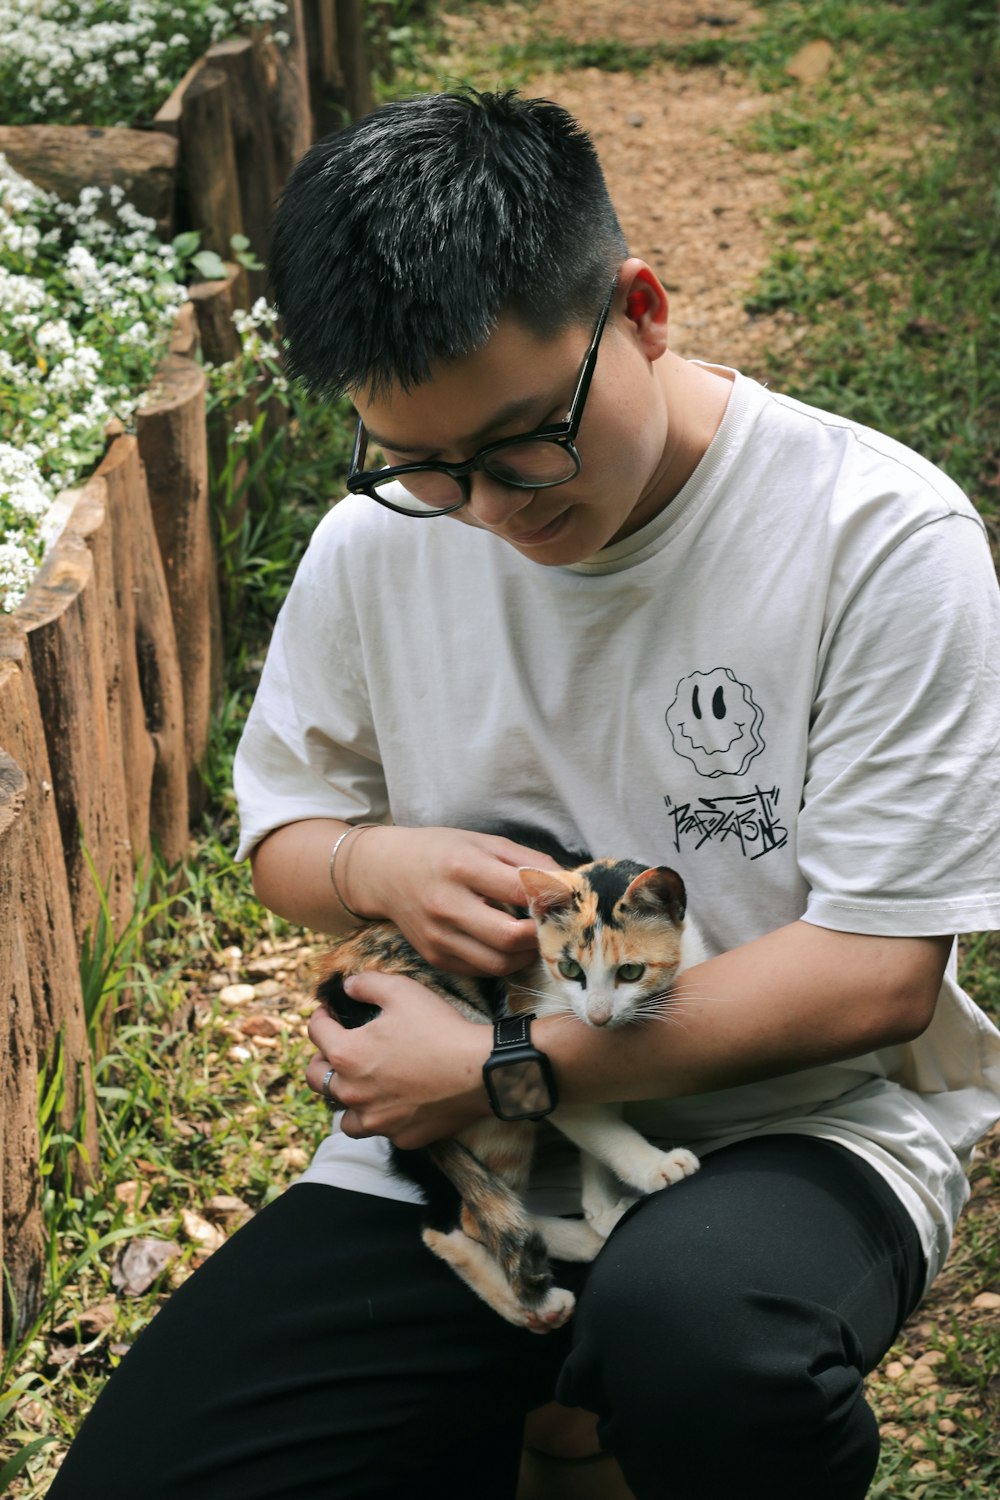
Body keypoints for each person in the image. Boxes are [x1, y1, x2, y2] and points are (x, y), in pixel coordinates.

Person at [49, 88, 1000, 1500]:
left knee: (706, 1344)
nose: (491, 510)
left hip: (799, 1126)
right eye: (423, 466)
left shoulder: (876, 537)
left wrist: (508, 1065)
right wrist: (380, 871)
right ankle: (543, 1406)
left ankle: (598, 1400)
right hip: (474, 1155)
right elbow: (288, 832)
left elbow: (875, 978)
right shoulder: (376, 545)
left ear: (641, 307)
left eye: (520, 445)